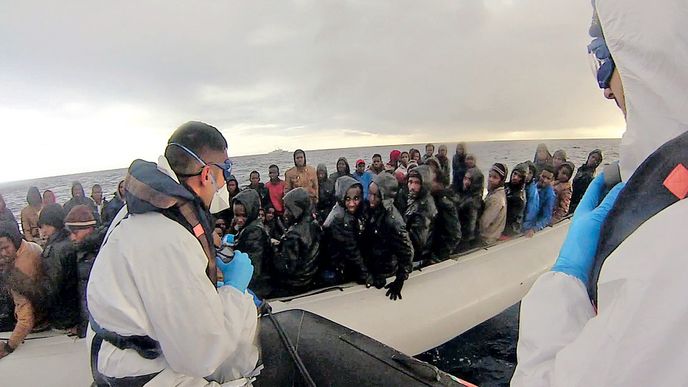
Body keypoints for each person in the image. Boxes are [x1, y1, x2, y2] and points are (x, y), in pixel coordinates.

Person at [513, 1, 687, 384]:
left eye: (605, 61)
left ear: (650, 58)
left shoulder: (672, 254)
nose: (605, 88)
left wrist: (566, 281)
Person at [87, 122, 259, 385]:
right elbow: (201, 354)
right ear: (206, 175)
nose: (225, 181)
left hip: (117, 349)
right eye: (226, 170)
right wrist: (235, 291)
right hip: (138, 371)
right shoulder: (170, 237)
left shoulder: (138, 208)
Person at [362, 173, 414, 300]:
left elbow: (407, 251)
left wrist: (400, 279)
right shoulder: (373, 210)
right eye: (370, 193)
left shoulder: (393, 221)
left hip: (385, 270)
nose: (371, 199)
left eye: (376, 196)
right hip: (373, 264)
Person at [0, 221, 45, 359]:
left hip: (39, 321)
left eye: (6, 248)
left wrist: (9, 346)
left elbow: (26, 318)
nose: (3, 253)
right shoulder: (31, 246)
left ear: (14, 241)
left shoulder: (19, 272)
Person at [64, 205, 105, 337]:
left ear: (90, 228)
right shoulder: (82, 252)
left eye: (75, 232)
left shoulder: (99, 253)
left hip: (101, 327)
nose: (72, 237)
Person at [39, 203, 80, 333]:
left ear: (53, 223)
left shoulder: (54, 250)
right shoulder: (71, 239)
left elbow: (51, 287)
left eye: (45, 225)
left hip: (63, 316)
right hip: (76, 310)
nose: (43, 230)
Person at [272, 188, 321, 296]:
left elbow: (287, 267)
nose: (285, 214)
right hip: (311, 274)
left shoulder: (293, 235)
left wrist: (273, 251)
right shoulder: (314, 223)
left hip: (297, 283)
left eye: (288, 209)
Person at [322, 176, 370, 285]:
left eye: (356, 198)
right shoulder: (340, 218)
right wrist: (366, 275)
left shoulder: (348, 210)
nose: (352, 204)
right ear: (341, 197)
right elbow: (351, 249)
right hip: (337, 265)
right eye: (347, 199)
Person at [233, 189, 273, 299]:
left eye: (243, 215)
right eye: (236, 215)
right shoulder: (253, 226)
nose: (239, 220)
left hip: (258, 288)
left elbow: (254, 269)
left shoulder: (254, 233)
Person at [427, 160, 461, 263]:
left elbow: (455, 234)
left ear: (438, 182)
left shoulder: (444, 202)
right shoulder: (432, 198)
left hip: (438, 255)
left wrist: (440, 255)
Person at [404, 166, 437, 262]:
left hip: (417, 259)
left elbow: (419, 242)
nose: (412, 187)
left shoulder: (424, 207)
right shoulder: (416, 200)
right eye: (410, 182)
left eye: (417, 183)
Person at [522, 166, 556, 238]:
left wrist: (534, 229)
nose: (544, 180)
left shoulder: (550, 195)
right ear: (539, 174)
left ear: (552, 180)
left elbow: (546, 217)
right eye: (543, 176)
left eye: (548, 178)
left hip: (531, 224)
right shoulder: (533, 185)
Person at [457, 166, 484, 250]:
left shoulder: (473, 201)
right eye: (465, 178)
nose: (465, 182)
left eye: (469, 180)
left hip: (467, 241)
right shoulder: (468, 195)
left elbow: (472, 223)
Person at [479, 163, 508, 245]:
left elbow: (483, 224)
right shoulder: (499, 192)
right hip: (494, 234)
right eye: (490, 176)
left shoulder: (495, 199)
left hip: (487, 239)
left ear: (501, 180)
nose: (490, 179)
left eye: (495, 177)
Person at [569, 149, 604, 214]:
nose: (593, 160)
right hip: (572, 198)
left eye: (596, 160)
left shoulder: (591, 176)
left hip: (578, 204)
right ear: (589, 156)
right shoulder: (581, 169)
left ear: (598, 163)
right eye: (593, 157)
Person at [504, 164, 527, 237]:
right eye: (515, 174)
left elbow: (512, 218)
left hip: (511, 230)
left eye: (519, 176)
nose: (515, 177)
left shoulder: (519, 197)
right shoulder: (506, 186)